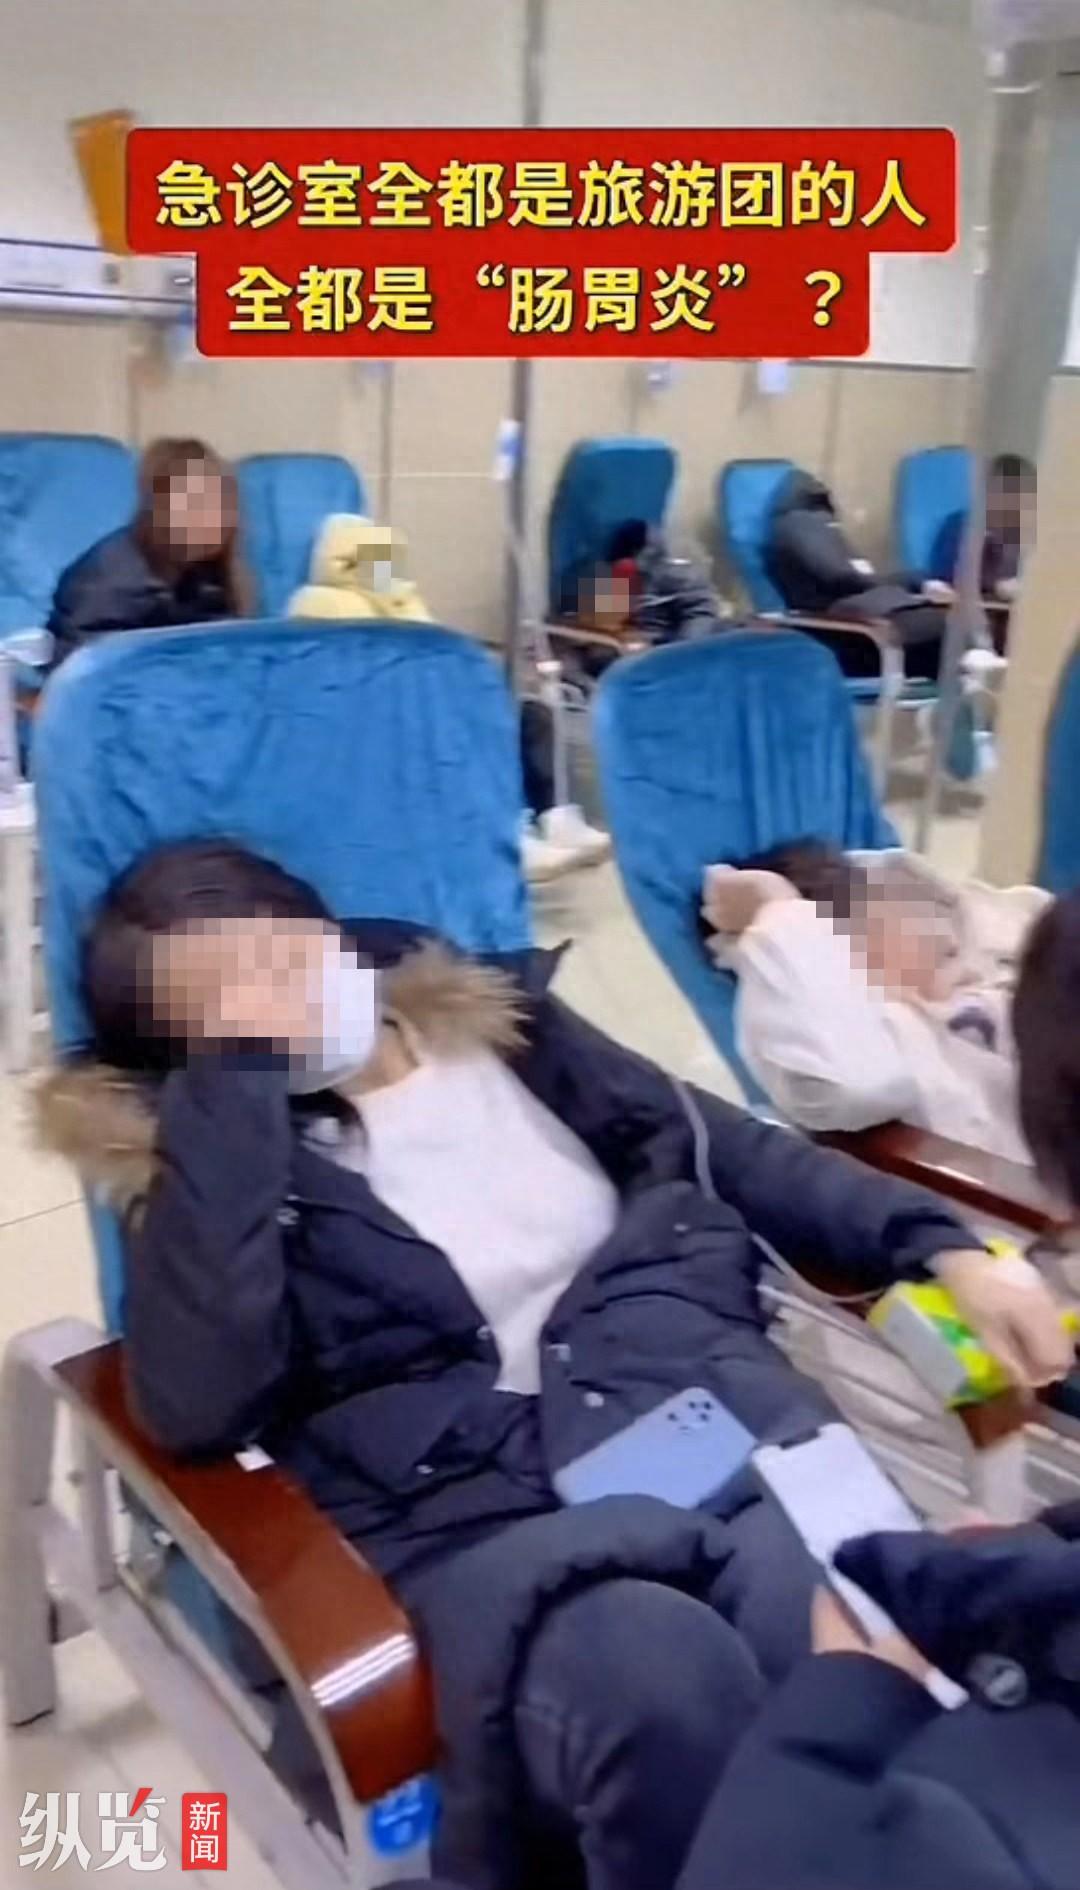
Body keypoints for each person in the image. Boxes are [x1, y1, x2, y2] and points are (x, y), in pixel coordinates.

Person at [35, 838, 1067, 1890]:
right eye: (221, 1012)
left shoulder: (503, 1027)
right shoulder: (215, 1177)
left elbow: (724, 1146)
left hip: (696, 1417)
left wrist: (940, 1247)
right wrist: (232, 1111)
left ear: (326, 929)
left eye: (277, 953)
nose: (271, 1001)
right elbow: (198, 1404)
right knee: (661, 1684)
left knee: (866, 1651)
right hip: (473, 1523)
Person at [288, 512, 610, 885]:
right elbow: (346, 668)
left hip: (430, 697)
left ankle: (556, 816)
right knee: (464, 734)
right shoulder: (321, 604)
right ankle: (502, 835)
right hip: (375, 710)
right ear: (347, 562)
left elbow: (439, 648)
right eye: (377, 560)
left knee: (532, 715)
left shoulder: (399, 601)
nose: (386, 569)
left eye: (389, 560)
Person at [702, 838, 1048, 1163]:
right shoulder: (880, 1039)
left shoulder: (969, 993)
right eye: (902, 905)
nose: (937, 921)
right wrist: (779, 907)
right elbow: (856, 1086)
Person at [47, 437, 252, 668]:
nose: (217, 519)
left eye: (222, 503)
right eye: (197, 504)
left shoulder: (205, 573)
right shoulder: (108, 581)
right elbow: (84, 672)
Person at [765, 469, 949, 681]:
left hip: (867, 621)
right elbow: (842, 577)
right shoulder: (801, 526)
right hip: (851, 631)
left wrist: (915, 582)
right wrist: (912, 581)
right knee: (954, 631)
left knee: (955, 630)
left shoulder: (815, 526)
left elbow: (850, 576)